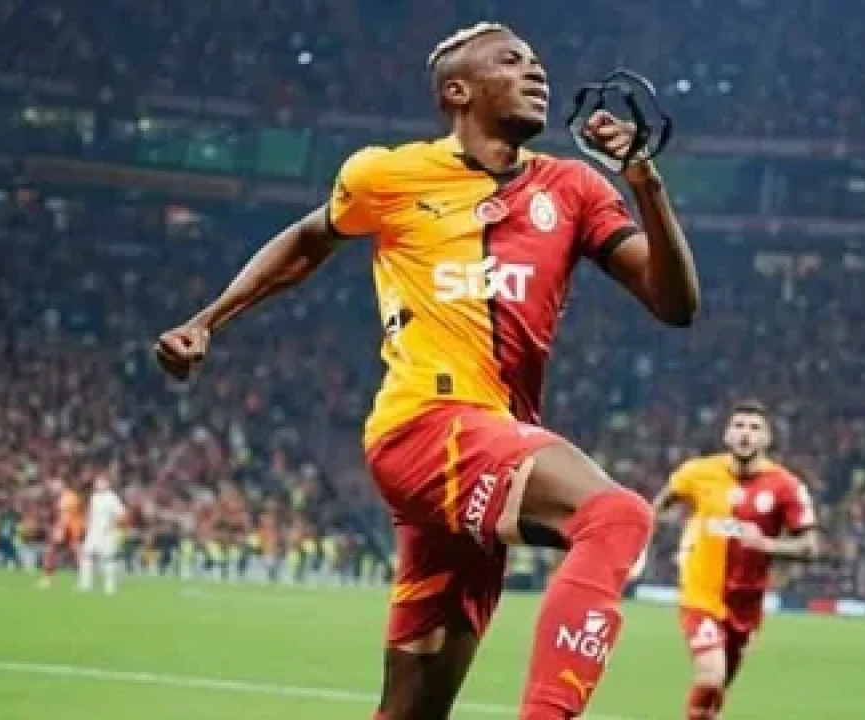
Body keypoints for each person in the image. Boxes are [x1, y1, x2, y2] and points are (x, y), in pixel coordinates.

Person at [154, 22, 699, 719]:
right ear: (457, 91)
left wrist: (645, 179)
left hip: (487, 447)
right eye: (511, 61)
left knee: (412, 711)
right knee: (616, 516)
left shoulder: (573, 189)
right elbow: (307, 240)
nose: (535, 72)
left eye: (537, 62)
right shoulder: (387, 174)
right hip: (426, 426)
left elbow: (674, 304)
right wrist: (207, 320)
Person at [651, 401, 820, 719]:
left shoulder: (785, 486)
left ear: (767, 439)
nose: (745, 434)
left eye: (755, 428)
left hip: (745, 606)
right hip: (701, 596)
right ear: (726, 434)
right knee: (710, 675)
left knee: (715, 694)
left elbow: (810, 547)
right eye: (739, 426)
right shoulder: (697, 472)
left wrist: (766, 544)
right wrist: (646, 540)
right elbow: (658, 506)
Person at [79, 471, 127, 595]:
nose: (98, 484)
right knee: (86, 555)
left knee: (107, 558)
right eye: (97, 482)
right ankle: (86, 584)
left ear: (107, 483)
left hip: (107, 533)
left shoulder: (112, 497)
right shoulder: (94, 497)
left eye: (101, 482)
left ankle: (110, 586)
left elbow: (122, 514)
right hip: (93, 532)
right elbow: (90, 513)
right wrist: (87, 524)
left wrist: (112, 525)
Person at [39, 477, 83, 589]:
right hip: (68, 529)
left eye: (55, 486)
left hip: (72, 530)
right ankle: (49, 578)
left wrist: (60, 530)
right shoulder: (61, 498)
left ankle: (80, 579)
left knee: (74, 554)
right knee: (51, 551)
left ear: (61, 485)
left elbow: (66, 517)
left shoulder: (68, 497)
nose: (52, 488)